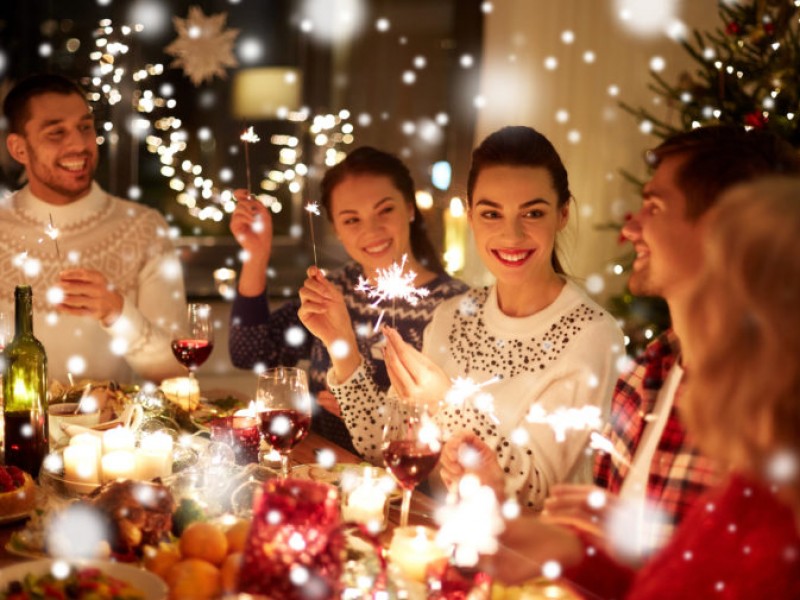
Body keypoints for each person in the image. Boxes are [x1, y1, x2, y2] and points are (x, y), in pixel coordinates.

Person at [489, 177, 800, 598]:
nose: (688, 320)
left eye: (709, 289)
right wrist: (570, 554)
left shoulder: (773, 530)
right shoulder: (749, 485)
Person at [312, 126, 624, 509]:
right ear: (471, 215)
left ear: (562, 214)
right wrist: (340, 345)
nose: (511, 234)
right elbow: (386, 447)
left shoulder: (593, 334)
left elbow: (537, 495)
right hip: (435, 539)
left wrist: (446, 405)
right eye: (492, 213)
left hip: (518, 558)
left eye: (533, 212)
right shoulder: (453, 315)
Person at [541, 125, 800, 558]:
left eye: (654, 207)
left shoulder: (774, 411)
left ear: (719, 229)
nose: (630, 229)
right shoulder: (642, 378)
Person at [228, 146, 468, 454]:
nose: (372, 229)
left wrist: (366, 410)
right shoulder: (333, 290)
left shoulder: (455, 306)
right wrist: (256, 253)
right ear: (337, 230)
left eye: (385, 210)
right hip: (319, 470)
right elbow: (251, 352)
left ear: (409, 208)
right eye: (352, 220)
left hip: (403, 487)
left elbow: (460, 425)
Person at [0, 73, 187, 384]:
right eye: (56, 133)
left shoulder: (143, 229)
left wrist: (118, 313)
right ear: (19, 149)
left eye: (85, 128)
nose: (79, 144)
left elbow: (175, 372)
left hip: (111, 430)